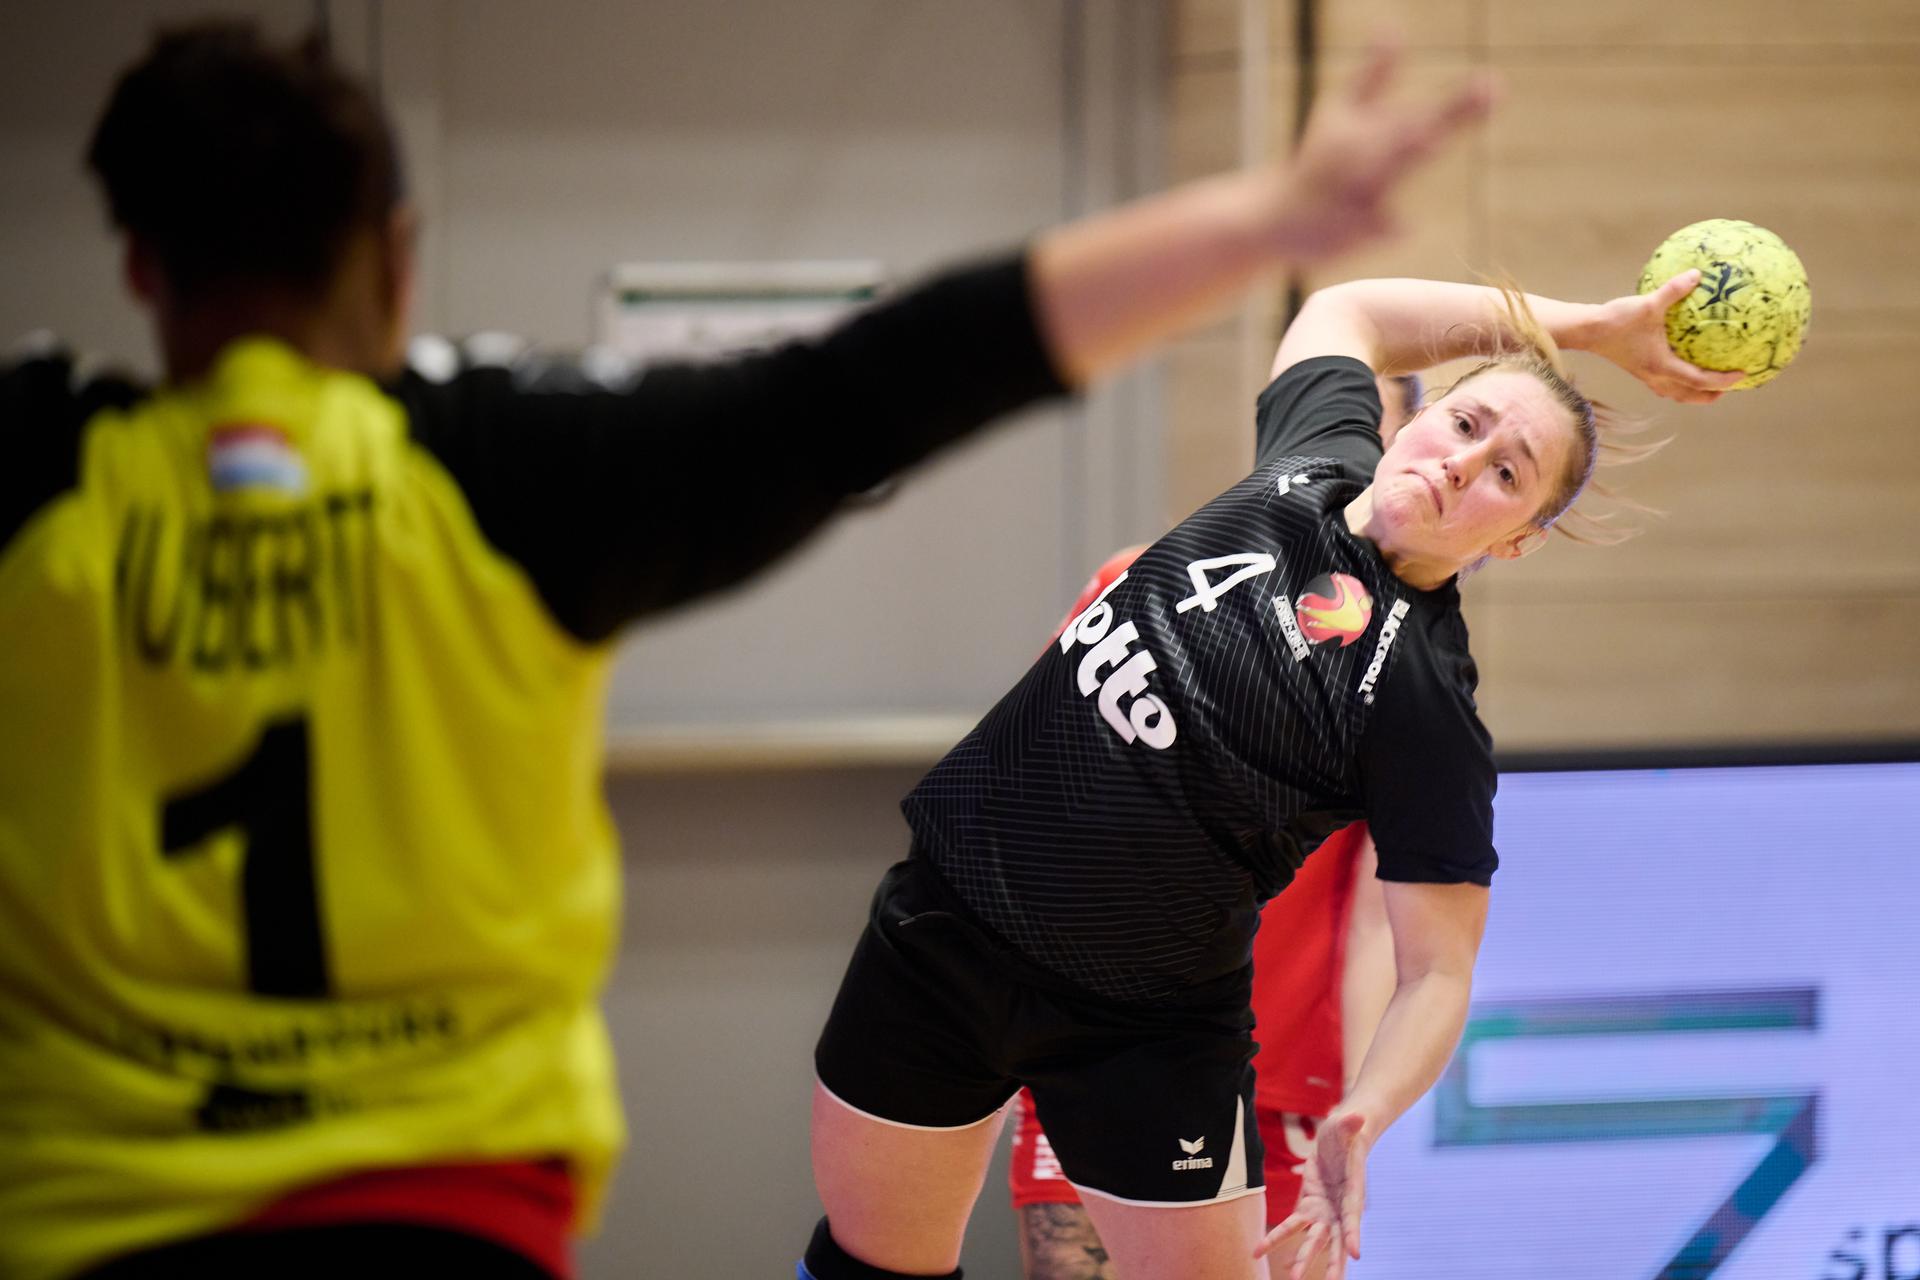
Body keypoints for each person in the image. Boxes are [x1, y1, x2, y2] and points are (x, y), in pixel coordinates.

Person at [0, 19, 1498, 1280]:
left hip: (89, 1200)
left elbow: (1428, 933)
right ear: (398, 263)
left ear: (139, 270)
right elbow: (859, 390)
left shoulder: (43, 489)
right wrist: (1262, 224)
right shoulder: (494, 476)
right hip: (441, 1189)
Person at [802, 252, 1742, 1277]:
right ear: (1416, 422)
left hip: (1137, 1033)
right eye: (1468, 425)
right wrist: (1593, 326)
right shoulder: (1314, 451)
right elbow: (1351, 307)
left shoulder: (1425, 696)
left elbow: (1438, 968)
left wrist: (1365, 1110)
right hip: (943, 932)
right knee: (868, 1267)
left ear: (1513, 542)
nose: (1466, 464)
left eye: (1509, 475)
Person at [1010, 374, 1421, 1280]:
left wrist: (1358, 1110)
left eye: (1375, 434)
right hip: (1093, 1062)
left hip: (1280, 1092)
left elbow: (1376, 926)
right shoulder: (1135, 582)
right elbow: (1032, 808)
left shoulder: (1403, 671)